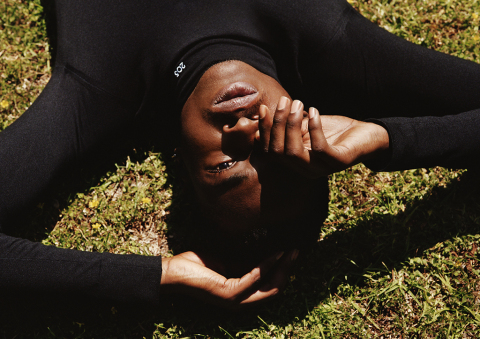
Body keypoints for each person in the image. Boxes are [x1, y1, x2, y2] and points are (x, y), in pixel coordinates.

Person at [1, 0, 479, 308]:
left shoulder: (97, 89)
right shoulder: (324, 41)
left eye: (227, 167)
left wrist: (158, 276)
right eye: (278, 147)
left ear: (184, 166)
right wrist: (382, 139)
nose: (246, 128)